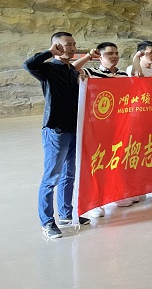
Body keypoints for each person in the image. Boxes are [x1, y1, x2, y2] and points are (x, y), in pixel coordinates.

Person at [23, 32, 91, 238]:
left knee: (69, 175)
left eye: (73, 44)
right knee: (51, 177)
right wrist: (49, 53)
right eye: (66, 44)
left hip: (74, 129)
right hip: (56, 130)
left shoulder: (70, 70)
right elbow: (29, 65)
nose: (71, 47)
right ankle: (47, 221)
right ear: (56, 46)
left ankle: (66, 214)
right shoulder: (48, 69)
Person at [77, 42, 138, 215]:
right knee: (96, 163)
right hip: (95, 126)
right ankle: (95, 201)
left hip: (118, 125)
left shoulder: (122, 75)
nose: (114, 56)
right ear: (100, 56)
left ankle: (116, 194)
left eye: (116, 53)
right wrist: (88, 57)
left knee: (116, 160)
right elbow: (71, 71)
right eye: (110, 53)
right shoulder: (90, 73)